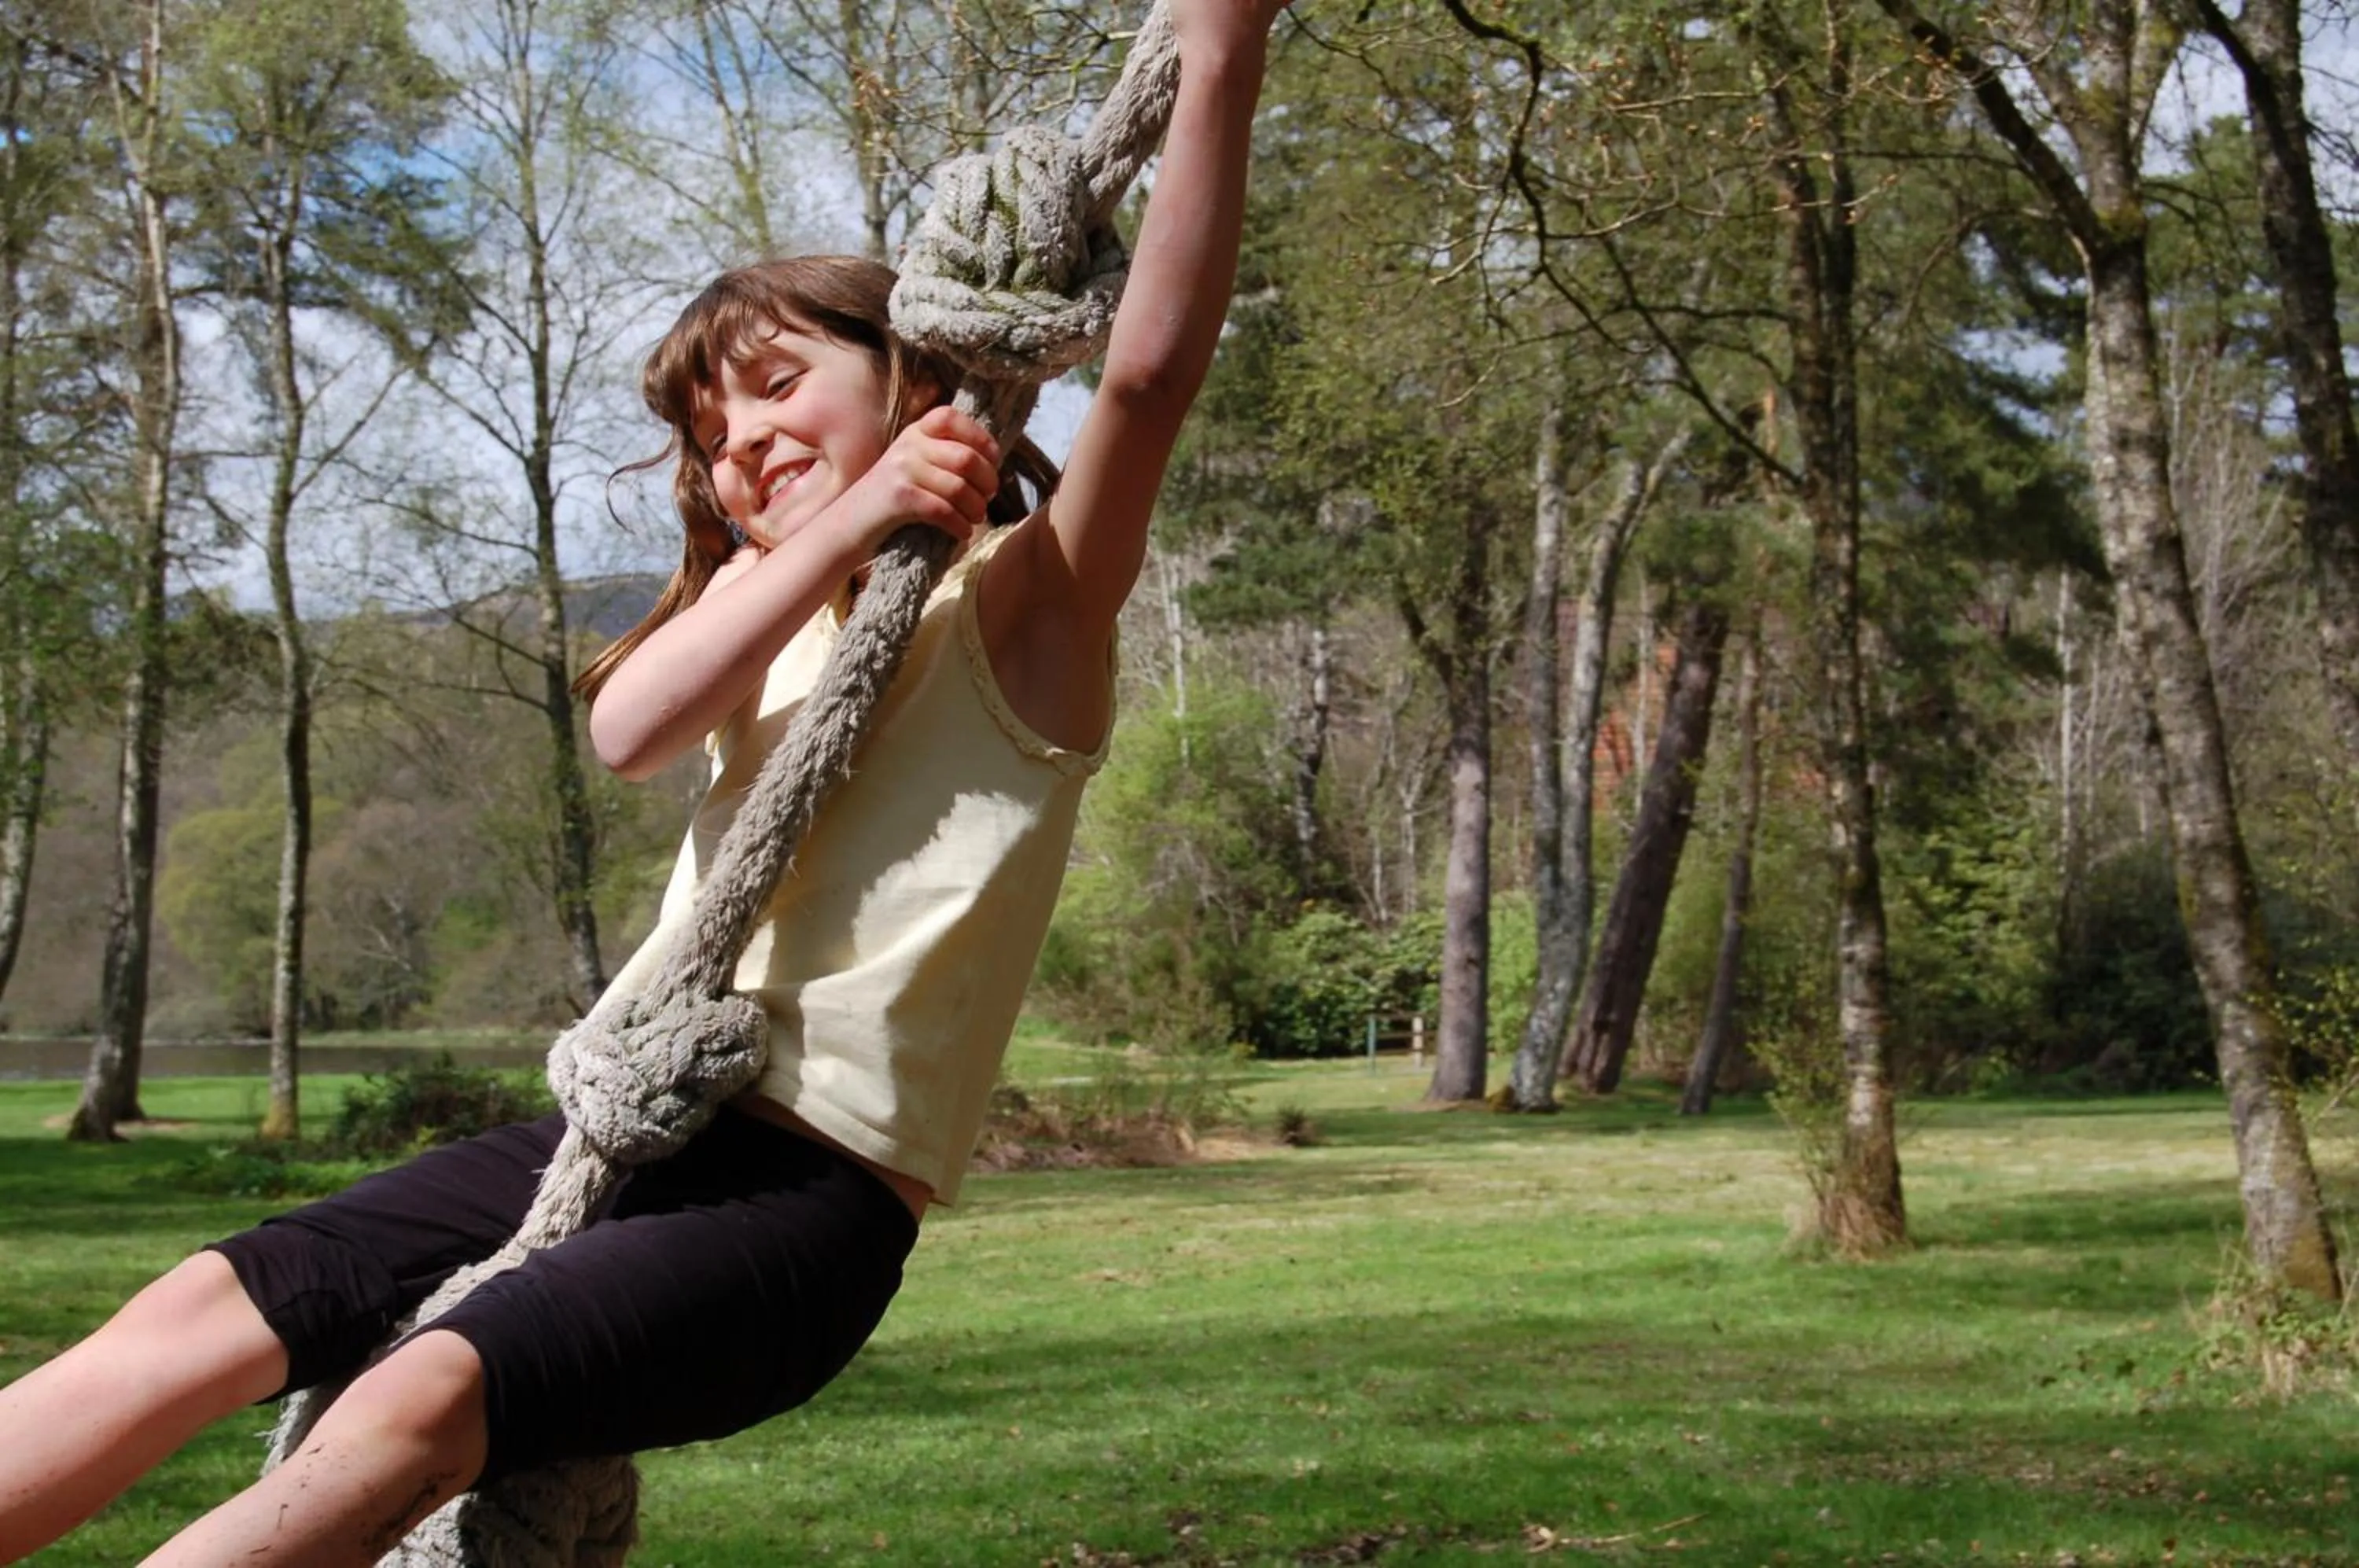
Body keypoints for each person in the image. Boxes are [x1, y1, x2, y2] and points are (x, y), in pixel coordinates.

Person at [0, 2, 1279, 1562]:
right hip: (615, 1135)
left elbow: (1146, 380)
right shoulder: (775, 630)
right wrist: (849, 510)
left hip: (800, 1200)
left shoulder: (1024, 618)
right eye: (707, 429)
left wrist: (1220, 49)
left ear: (910, 366)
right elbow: (630, 727)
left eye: (773, 384)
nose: (739, 440)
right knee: (199, 1303)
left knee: (409, 1403)